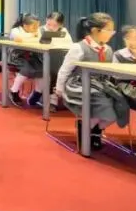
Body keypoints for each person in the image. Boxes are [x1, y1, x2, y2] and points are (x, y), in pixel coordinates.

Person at [54, 12, 126, 151]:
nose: (111, 34)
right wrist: (59, 89)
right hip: (79, 85)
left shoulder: (108, 49)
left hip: (100, 85)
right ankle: (87, 129)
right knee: (103, 103)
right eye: (108, 30)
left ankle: (95, 129)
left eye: (112, 31)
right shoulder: (79, 47)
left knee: (121, 103)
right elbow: (65, 70)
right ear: (95, 30)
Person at [6, 13, 43, 104]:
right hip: (16, 56)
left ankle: (37, 93)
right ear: (25, 25)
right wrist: (33, 36)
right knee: (27, 69)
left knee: (42, 69)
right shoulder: (16, 30)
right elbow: (19, 39)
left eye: (37, 26)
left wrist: (29, 37)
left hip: (31, 56)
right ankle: (14, 91)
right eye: (34, 26)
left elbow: (40, 40)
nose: (37, 29)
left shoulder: (37, 31)